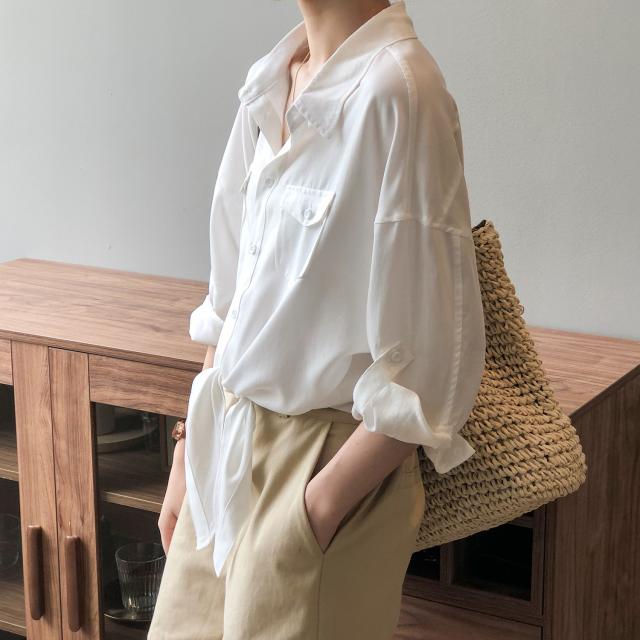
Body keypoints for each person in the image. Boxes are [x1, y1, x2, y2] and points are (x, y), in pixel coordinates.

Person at [147, 0, 486, 638]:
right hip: (224, 450)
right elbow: (230, 302)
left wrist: (316, 511)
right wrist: (186, 455)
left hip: (320, 464)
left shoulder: (401, 91)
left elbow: (432, 361)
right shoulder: (270, 84)